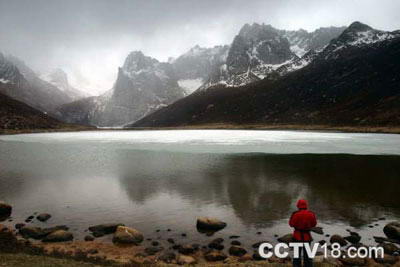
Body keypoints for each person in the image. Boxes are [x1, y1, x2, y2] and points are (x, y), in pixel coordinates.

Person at [289, 199, 317, 267]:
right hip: (307, 237)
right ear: (306, 205)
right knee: (307, 256)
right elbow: (314, 224)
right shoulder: (311, 214)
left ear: (298, 206)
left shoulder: (295, 214)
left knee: (296, 256)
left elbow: (291, 224)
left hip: (297, 237)